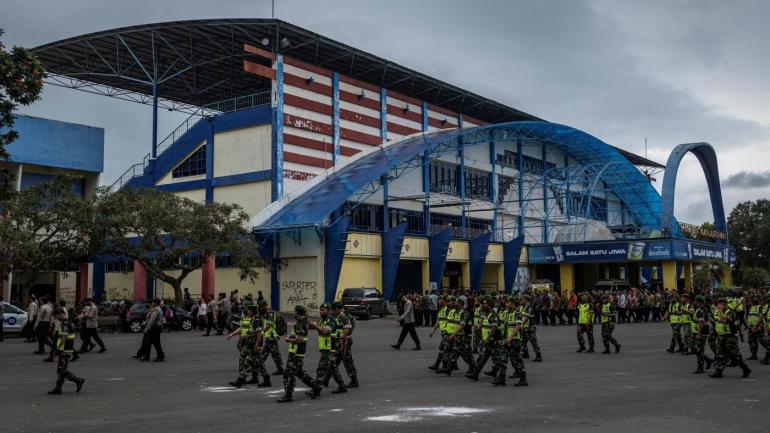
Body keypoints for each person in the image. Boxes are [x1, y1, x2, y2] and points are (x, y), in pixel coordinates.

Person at [277, 305, 322, 403]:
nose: (294, 313)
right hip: (298, 352)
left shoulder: (299, 324)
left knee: (288, 373)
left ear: (298, 313)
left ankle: (288, 395)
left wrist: (288, 339)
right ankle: (316, 387)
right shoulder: (303, 322)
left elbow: (300, 340)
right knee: (299, 372)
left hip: (296, 353)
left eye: (295, 312)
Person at [227, 301, 269, 388]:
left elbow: (259, 333)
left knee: (249, 362)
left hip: (254, 344)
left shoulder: (256, 320)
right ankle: (266, 380)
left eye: (249, 310)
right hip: (249, 343)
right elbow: (243, 328)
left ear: (252, 311)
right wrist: (232, 334)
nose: (247, 311)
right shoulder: (251, 319)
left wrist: (257, 345)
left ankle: (241, 380)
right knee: (258, 362)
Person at [309, 303, 346, 394]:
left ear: (328, 311)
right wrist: (308, 322)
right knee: (333, 368)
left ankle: (316, 389)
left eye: (323, 310)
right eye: (320, 310)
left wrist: (315, 325)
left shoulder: (331, 320)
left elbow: (325, 331)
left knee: (321, 369)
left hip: (330, 348)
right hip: (324, 348)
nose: (321, 312)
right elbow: (312, 327)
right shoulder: (322, 320)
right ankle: (342, 386)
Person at [47, 308, 85, 395]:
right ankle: (58, 388)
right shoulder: (70, 322)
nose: (56, 318)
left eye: (56, 316)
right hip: (68, 348)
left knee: (62, 370)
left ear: (60, 313)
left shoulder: (65, 324)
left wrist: (58, 349)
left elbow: (63, 338)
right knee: (60, 369)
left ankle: (78, 380)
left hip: (64, 349)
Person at [710, 298, 750, 378]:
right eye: (718, 304)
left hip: (730, 337)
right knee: (720, 355)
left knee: (735, 355)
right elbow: (716, 320)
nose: (718, 306)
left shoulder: (731, 312)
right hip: (721, 336)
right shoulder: (717, 312)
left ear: (724, 305)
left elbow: (725, 320)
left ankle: (746, 369)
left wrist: (720, 311)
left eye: (720, 304)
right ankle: (719, 371)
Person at [438, 297, 476, 376]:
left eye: (457, 302)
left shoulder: (465, 313)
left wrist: (453, 334)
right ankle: (447, 368)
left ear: (462, 303)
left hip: (465, 336)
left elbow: (462, 325)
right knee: (451, 351)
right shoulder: (456, 312)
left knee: (466, 354)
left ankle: (473, 366)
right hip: (457, 336)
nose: (455, 303)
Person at [465, 297, 500, 382]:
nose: (483, 306)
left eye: (485, 304)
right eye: (483, 304)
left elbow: (493, 329)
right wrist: (479, 328)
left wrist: (488, 338)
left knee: (498, 359)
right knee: (482, 357)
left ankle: (500, 374)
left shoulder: (493, 315)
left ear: (490, 306)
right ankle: (476, 374)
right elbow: (482, 322)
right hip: (486, 340)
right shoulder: (486, 314)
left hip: (492, 341)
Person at [331, 302, 358, 388]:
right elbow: (353, 322)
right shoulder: (344, 314)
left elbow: (351, 325)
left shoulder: (344, 315)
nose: (332, 312)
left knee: (347, 360)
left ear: (337, 309)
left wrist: (346, 336)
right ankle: (325, 379)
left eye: (333, 310)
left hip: (344, 341)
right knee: (334, 360)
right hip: (341, 340)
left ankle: (354, 380)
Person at [504, 297, 527, 386]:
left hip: (515, 340)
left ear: (513, 304)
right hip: (510, 339)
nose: (507, 304)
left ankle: (523, 379)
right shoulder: (508, 313)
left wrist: (510, 338)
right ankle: (520, 377)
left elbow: (517, 326)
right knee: (514, 359)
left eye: (508, 302)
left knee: (518, 360)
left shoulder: (517, 313)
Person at [258, 300, 285, 375]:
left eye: (261, 307)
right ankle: (280, 368)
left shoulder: (269, 313)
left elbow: (269, 325)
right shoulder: (268, 313)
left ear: (265, 306)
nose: (261, 309)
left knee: (268, 354)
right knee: (274, 353)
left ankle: (258, 367)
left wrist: (263, 332)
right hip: (270, 337)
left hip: (272, 336)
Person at [691, 295, 714, 374]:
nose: (694, 302)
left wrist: (699, 333)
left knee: (699, 349)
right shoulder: (703, 309)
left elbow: (701, 322)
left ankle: (700, 367)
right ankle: (707, 360)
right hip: (700, 331)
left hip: (701, 332)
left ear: (698, 302)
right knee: (696, 348)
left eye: (695, 300)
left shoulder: (701, 310)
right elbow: (709, 317)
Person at [519, 295, 543, 362]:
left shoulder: (528, 307)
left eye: (522, 299)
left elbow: (526, 318)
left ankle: (538, 356)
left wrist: (521, 324)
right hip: (525, 327)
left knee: (533, 342)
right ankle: (525, 353)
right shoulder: (524, 307)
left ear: (525, 300)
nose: (521, 301)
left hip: (530, 327)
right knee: (523, 341)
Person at [429, 296, 450, 370]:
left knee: (443, 348)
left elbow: (450, 321)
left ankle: (438, 365)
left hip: (447, 332)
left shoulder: (447, 309)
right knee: (449, 349)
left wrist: (449, 331)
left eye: (440, 300)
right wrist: (433, 331)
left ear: (444, 300)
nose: (438, 302)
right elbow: (438, 321)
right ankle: (450, 365)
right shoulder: (441, 310)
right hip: (443, 332)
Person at [746, 295, 763, 360]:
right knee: (751, 341)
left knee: (763, 341)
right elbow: (750, 316)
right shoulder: (751, 307)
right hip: (751, 327)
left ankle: (768, 355)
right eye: (753, 299)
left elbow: (761, 317)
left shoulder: (760, 307)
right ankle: (754, 355)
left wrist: (757, 326)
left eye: (756, 298)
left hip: (758, 327)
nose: (754, 300)